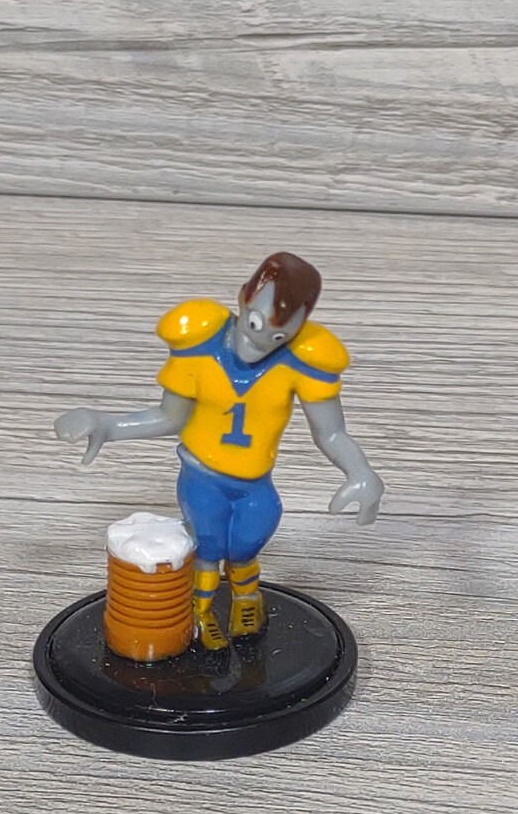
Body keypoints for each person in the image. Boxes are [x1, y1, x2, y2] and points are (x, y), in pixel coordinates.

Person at [56, 251, 384, 650]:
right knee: (208, 545)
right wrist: (109, 425)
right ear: (244, 298)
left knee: (248, 542)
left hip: (254, 481)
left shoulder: (301, 363)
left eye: (278, 336)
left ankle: (247, 601)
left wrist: (360, 470)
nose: (258, 344)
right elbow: (169, 417)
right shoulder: (201, 347)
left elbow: (330, 434)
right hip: (203, 475)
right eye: (255, 325)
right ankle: (201, 610)